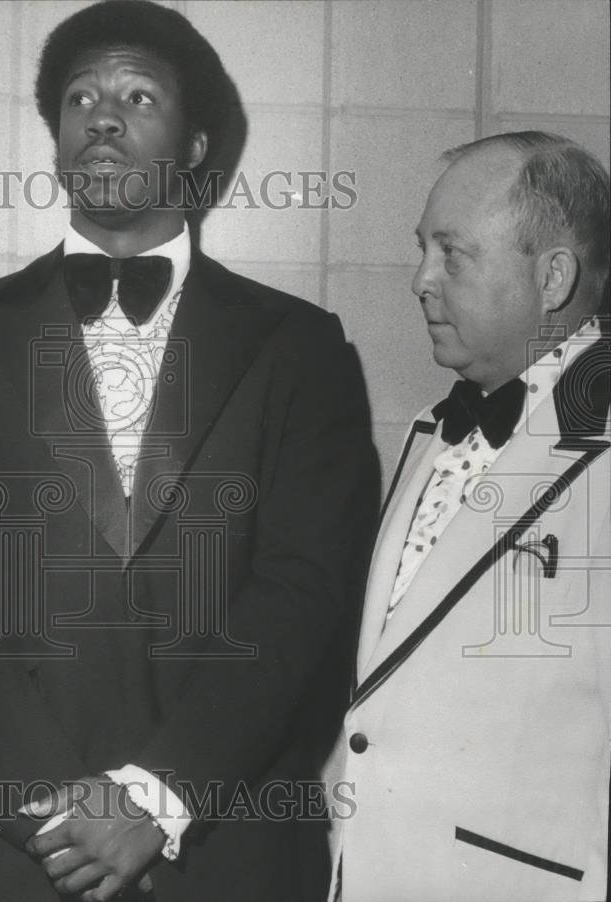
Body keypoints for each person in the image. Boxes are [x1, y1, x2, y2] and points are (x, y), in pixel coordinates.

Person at [0, 3, 377, 900]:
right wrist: (54, 812)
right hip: (17, 847)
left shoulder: (302, 345)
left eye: (138, 96)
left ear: (194, 148)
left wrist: (158, 797)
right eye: (80, 98)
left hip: (230, 843)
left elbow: (305, 590)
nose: (102, 116)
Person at [326, 132, 610, 902]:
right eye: (423, 251)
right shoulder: (431, 429)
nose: (420, 279)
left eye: (453, 253)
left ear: (553, 277)